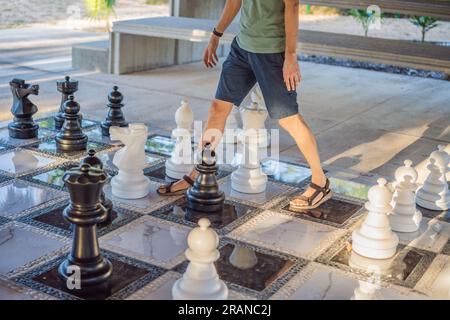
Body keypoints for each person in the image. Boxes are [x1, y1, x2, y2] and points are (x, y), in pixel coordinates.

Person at [158, 0, 332, 210]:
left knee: (289, 118)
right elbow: (234, 1)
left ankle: (320, 182)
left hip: (272, 53)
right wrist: (216, 35)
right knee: (217, 109)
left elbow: (292, 6)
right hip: (242, 48)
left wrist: (291, 56)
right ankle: (198, 173)